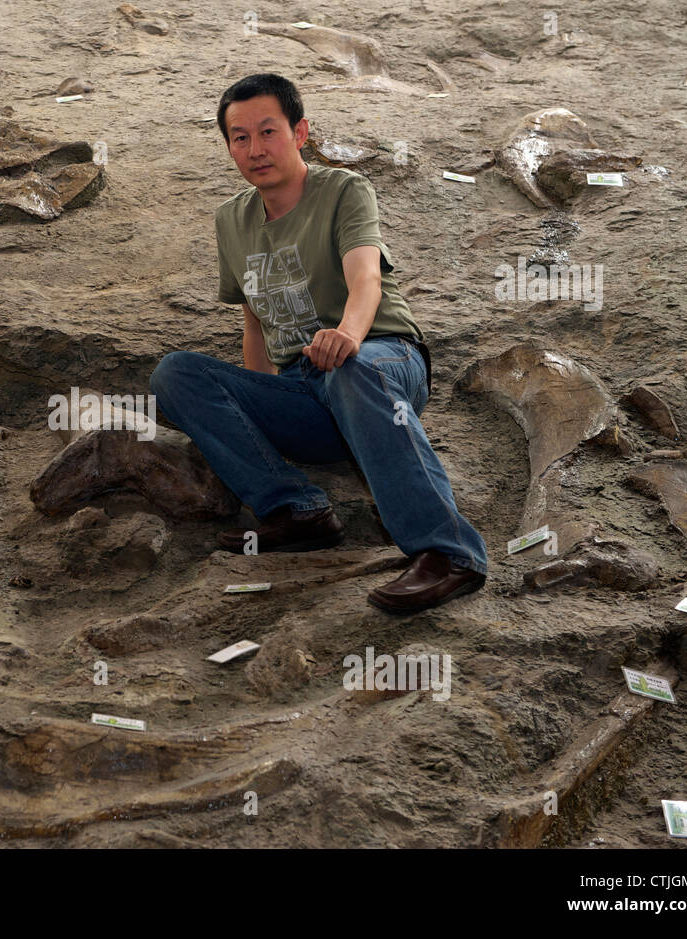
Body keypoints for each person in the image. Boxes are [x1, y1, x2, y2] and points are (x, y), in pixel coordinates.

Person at [149, 73, 487, 614]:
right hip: (308, 395)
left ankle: (448, 554)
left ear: (299, 132)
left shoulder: (344, 190)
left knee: (351, 369)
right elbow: (254, 324)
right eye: (240, 137)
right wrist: (261, 408)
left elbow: (366, 281)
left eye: (268, 131)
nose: (255, 149)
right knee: (176, 374)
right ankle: (296, 509)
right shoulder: (230, 221)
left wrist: (347, 337)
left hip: (382, 361)